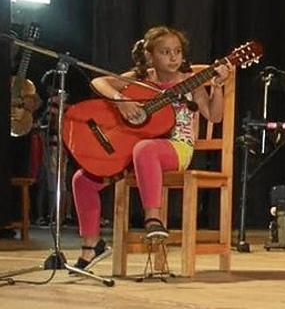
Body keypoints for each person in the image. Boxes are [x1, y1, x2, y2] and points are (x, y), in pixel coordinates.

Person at [70, 26, 231, 271]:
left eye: (177, 51)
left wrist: (217, 86)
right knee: (82, 180)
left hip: (177, 148)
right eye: (165, 52)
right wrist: (122, 100)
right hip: (134, 153)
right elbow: (98, 81)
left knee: (146, 149)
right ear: (150, 56)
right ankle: (92, 244)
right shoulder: (140, 79)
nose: (174, 57)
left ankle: (153, 219)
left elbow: (215, 116)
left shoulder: (191, 81)